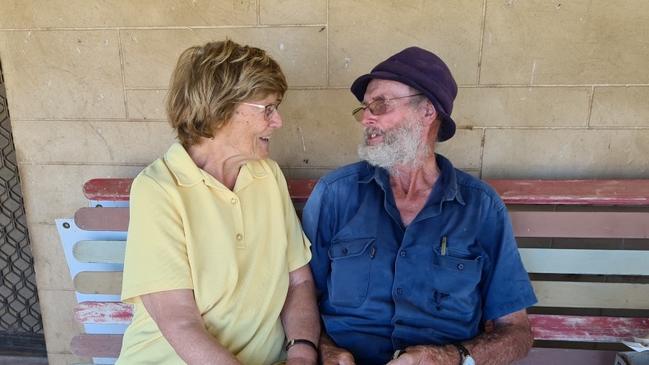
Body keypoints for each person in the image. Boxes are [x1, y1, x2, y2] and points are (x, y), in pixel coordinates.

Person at [302, 47, 537, 365]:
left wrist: (448, 358)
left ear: (428, 111)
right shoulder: (335, 195)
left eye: (381, 104)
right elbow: (300, 299)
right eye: (365, 108)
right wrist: (329, 352)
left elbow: (517, 333)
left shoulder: (480, 207)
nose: (367, 118)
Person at [116, 40, 319, 365]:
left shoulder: (267, 175)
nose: (278, 121)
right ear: (219, 110)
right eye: (267, 108)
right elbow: (180, 322)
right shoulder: (160, 189)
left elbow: (299, 279)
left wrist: (302, 351)